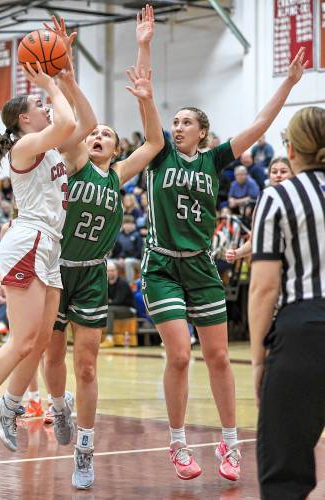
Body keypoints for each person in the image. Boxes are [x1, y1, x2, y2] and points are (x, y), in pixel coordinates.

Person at [140, 43, 307, 483]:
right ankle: (178, 443)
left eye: (186, 122)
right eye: (174, 121)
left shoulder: (215, 160)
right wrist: (144, 55)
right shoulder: (159, 153)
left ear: (203, 133)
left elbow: (260, 124)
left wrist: (288, 83)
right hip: (161, 266)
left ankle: (230, 444)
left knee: (217, 357)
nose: (177, 127)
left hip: (200, 265)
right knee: (178, 355)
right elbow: (144, 100)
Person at [0, 44, 88, 458]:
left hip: (48, 245)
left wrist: (66, 77)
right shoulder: (23, 149)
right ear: (25, 119)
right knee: (22, 340)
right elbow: (66, 121)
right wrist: (48, 82)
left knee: (39, 341)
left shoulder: (51, 148)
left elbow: (84, 122)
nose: (45, 107)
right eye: (38, 104)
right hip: (29, 241)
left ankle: (8, 406)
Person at [42, 7, 163, 490]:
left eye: (105, 135)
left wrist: (145, 94)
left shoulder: (118, 174)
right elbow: (82, 120)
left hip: (91, 271)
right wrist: (68, 78)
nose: (96, 135)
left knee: (86, 363)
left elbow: (154, 141)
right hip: (55, 267)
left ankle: (86, 449)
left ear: (114, 148)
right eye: (93, 133)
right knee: (51, 358)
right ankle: (58, 407)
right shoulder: (73, 163)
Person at [249, 106, 325, 500]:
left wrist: (260, 359)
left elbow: (264, 288)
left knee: (286, 473)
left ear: (291, 150)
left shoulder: (279, 197)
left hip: (305, 329)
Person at [225, 157, 292, 264]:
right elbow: (254, 239)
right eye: (274, 172)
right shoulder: (263, 200)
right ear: (269, 176)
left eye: (283, 172)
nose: (278, 175)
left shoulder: (301, 199)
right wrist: (237, 253)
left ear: (293, 174)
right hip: (273, 263)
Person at [101, 260, 136, 348]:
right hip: (115, 309)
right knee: (105, 309)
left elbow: (119, 301)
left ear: (117, 271)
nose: (111, 273)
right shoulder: (106, 283)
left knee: (109, 310)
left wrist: (108, 302)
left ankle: (109, 339)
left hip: (128, 309)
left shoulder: (122, 283)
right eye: (109, 271)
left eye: (113, 270)